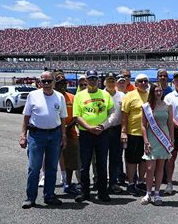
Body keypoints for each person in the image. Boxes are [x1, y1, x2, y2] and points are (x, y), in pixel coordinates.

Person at [19, 71, 67, 208]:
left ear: (53, 82)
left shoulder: (59, 97)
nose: (46, 84)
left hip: (55, 135)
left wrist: (64, 136)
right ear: (40, 82)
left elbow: (63, 118)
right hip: (36, 135)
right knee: (34, 168)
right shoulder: (32, 95)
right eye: (43, 81)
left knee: (52, 167)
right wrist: (23, 135)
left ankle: (49, 196)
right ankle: (30, 198)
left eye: (49, 81)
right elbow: (26, 117)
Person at [73, 70, 115, 203]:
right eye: (90, 79)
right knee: (84, 165)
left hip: (102, 133)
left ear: (98, 80)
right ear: (86, 80)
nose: (92, 81)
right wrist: (89, 127)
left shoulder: (105, 94)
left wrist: (103, 126)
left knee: (101, 164)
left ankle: (102, 192)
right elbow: (77, 116)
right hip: (86, 134)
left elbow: (112, 113)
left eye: (94, 79)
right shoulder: (80, 96)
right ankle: (85, 192)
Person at [140, 83, 174, 205]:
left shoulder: (168, 106)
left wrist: (172, 139)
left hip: (164, 138)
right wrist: (145, 141)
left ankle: (157, 193)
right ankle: (148, 193)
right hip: (151, 138)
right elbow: (143, 125)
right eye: (156, 91)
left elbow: (170, 124)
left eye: (160, 91)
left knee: (160, 168)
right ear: (152, 92)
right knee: (150, 168)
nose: (158, 93)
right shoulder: (146, 107)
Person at [121, 73, 149, 194]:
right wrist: (123, 132)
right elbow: (124, 115)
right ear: (136, 83)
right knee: (132, 160)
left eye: (145, 81)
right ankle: (131, 183)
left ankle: (141, 182)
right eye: (141, 81)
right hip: (133, 133)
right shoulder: (129, 95)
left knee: (144, 160)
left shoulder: (150, 96)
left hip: (147, 134)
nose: (143, 83)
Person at [54, 71, 81, 196]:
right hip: (53, 132)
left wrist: (68, 126)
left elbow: (76, 115)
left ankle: (68, 184)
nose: (63, 85)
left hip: (70, 132)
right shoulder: (51, 96)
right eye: (60, 83)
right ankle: (50, 187)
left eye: (65, 82)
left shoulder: (72, 97)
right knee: (51, 161)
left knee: (70, 161)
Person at [103, 72, 125, 194]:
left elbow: (124, 114)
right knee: (101, 159)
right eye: (109, 80)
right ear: (105, 82)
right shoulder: (100, 94)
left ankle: (113, 183)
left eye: (113, 80)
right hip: (103, 130)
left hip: (116, 129)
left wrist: (123, 131)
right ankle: (101, 182)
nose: (111, 83)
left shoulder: (122, 95)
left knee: (115, 158)